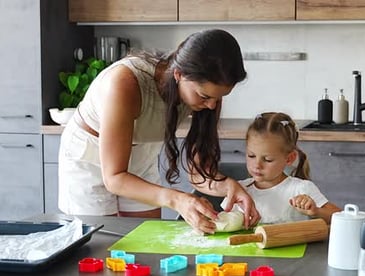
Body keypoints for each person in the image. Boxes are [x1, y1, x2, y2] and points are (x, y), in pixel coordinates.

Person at [58, 29, 260, 234]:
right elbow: (115, 178)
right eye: (205, 96)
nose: (212, 105)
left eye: (219, 97)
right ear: (178, 74)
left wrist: (228, 186)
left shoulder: (206, 92)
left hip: (142, 149)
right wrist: (177, 199)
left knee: (146, 236)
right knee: (101, 242)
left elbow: (196, 173)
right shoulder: (125, 83)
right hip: (90, 155)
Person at [222, 112, 340, 224]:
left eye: (268, 159)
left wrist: (316, 211)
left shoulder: (301, 189)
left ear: (289, 158)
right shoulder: (239, 190)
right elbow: (223, 221)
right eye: (251, 156)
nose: (257, 165)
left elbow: (340, 216)